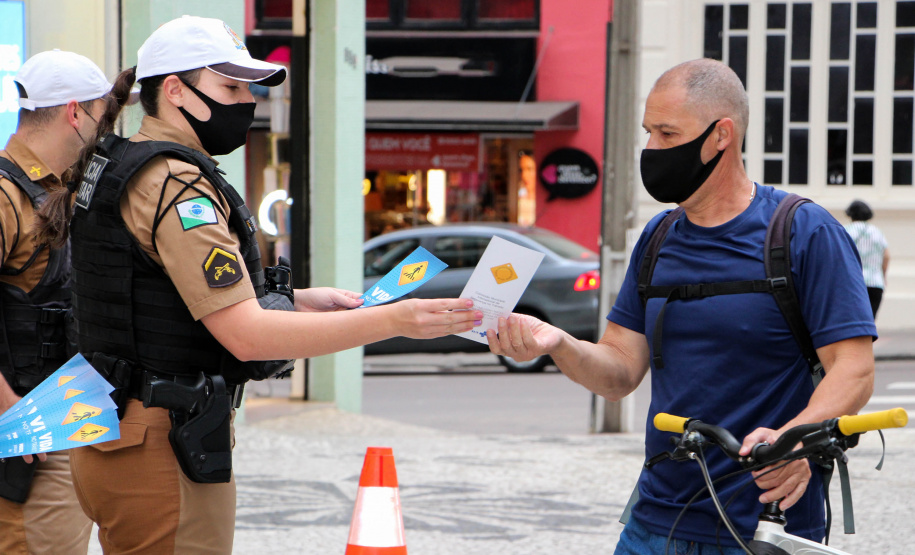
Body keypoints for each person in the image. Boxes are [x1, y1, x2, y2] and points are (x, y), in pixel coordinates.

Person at [33, 16, 482, 554]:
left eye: (247, 88)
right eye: (229, 86)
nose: (246, 101)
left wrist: (301, 301)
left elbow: (158, 292)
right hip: (160, 449)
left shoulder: (121, 162)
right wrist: (395, 321)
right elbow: (244, 336)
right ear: (174, 90)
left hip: (113, 434)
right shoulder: (176, 184)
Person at [487, 59, 876, 554]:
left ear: (721, 136)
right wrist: (557, 342)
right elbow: (621, 372)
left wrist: (793, 438)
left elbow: (854, 369)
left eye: (668, 135)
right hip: (655, 522)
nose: (652, 150)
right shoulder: (659, 237)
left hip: (764, 527)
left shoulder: (804, 232)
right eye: (649, 132)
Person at [0, 49, 111, 555]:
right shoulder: (5, 195)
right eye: (103, 112)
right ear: (75, 112)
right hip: (28, 436)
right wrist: (10, 413)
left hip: (62, 417)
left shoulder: (58, 190)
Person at [844, 199, 889, 318]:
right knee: (870, 320)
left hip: (853, 283)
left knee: (853, 321)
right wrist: (883, 276)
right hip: (875, 283)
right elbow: (886, 256)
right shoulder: (877, 232)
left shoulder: (846, 230)